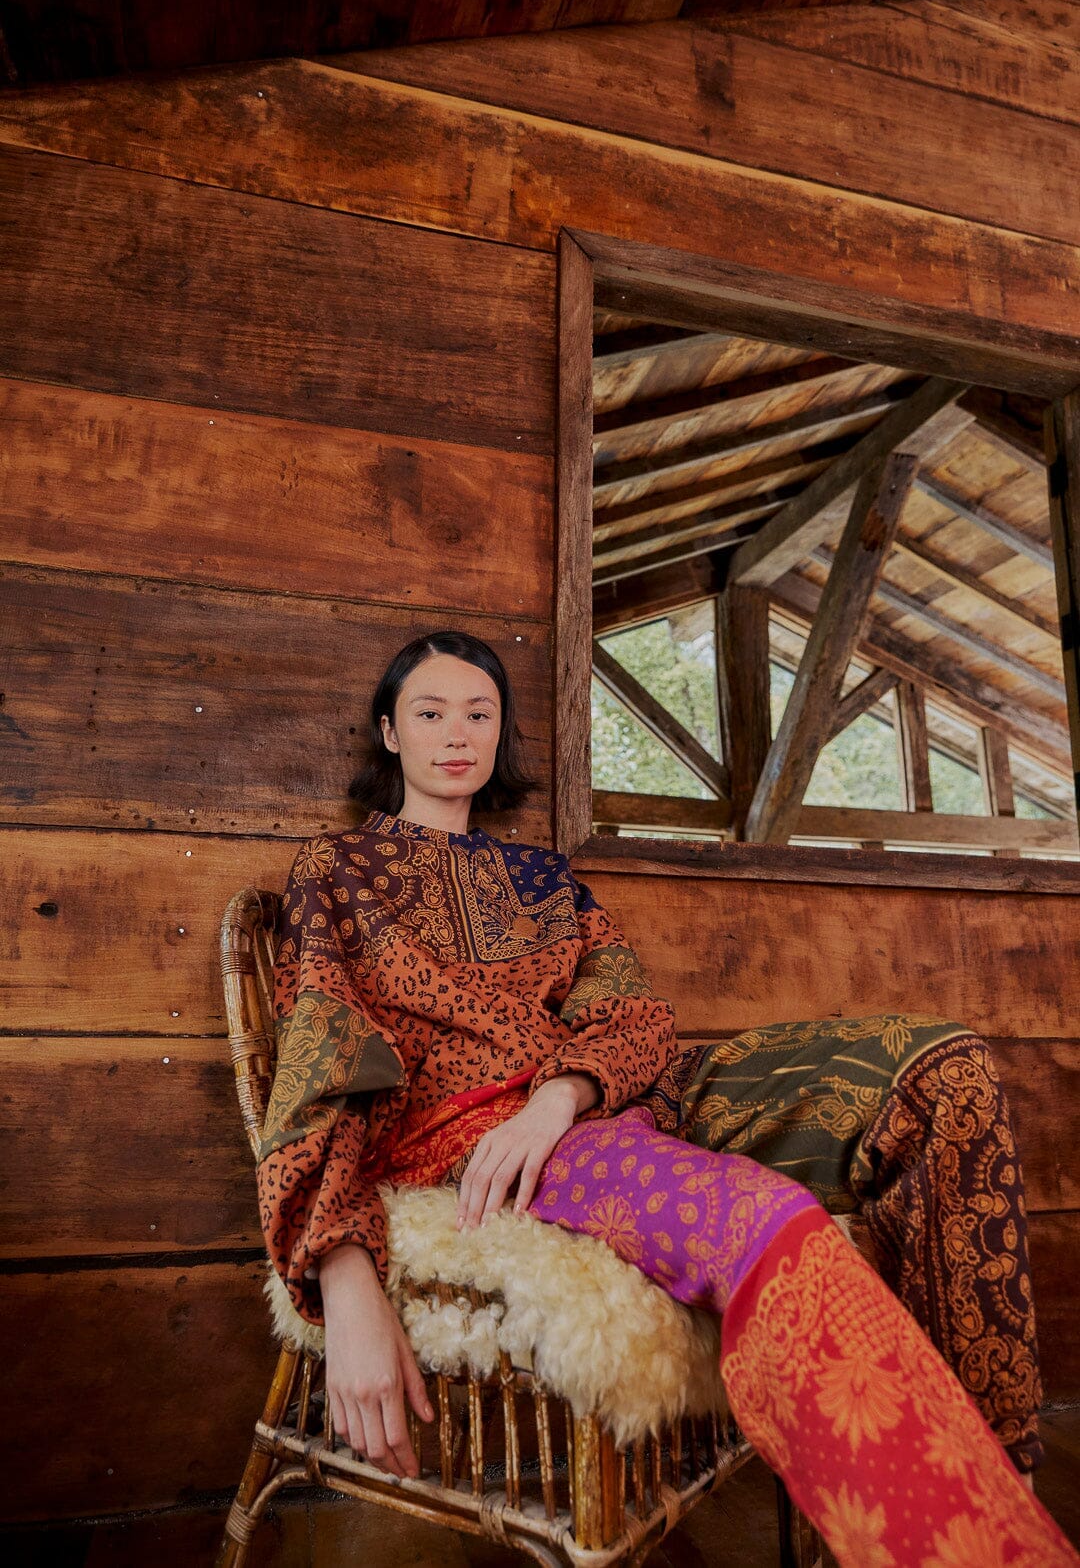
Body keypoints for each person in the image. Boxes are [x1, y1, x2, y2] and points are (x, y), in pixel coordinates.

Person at [255, 629, 1076, 1567]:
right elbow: (322, 1068)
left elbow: (637, 1015)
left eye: (479, 713)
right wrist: (344, 1278)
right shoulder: (336, 873)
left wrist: (561, 1095)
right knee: (759, 1218)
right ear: (390, 733)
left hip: (613, 1095)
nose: (456, 733)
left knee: (945, 1070)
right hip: (486, 1130)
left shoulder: (545, 880)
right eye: (430, 712)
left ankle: (1001, 1475)